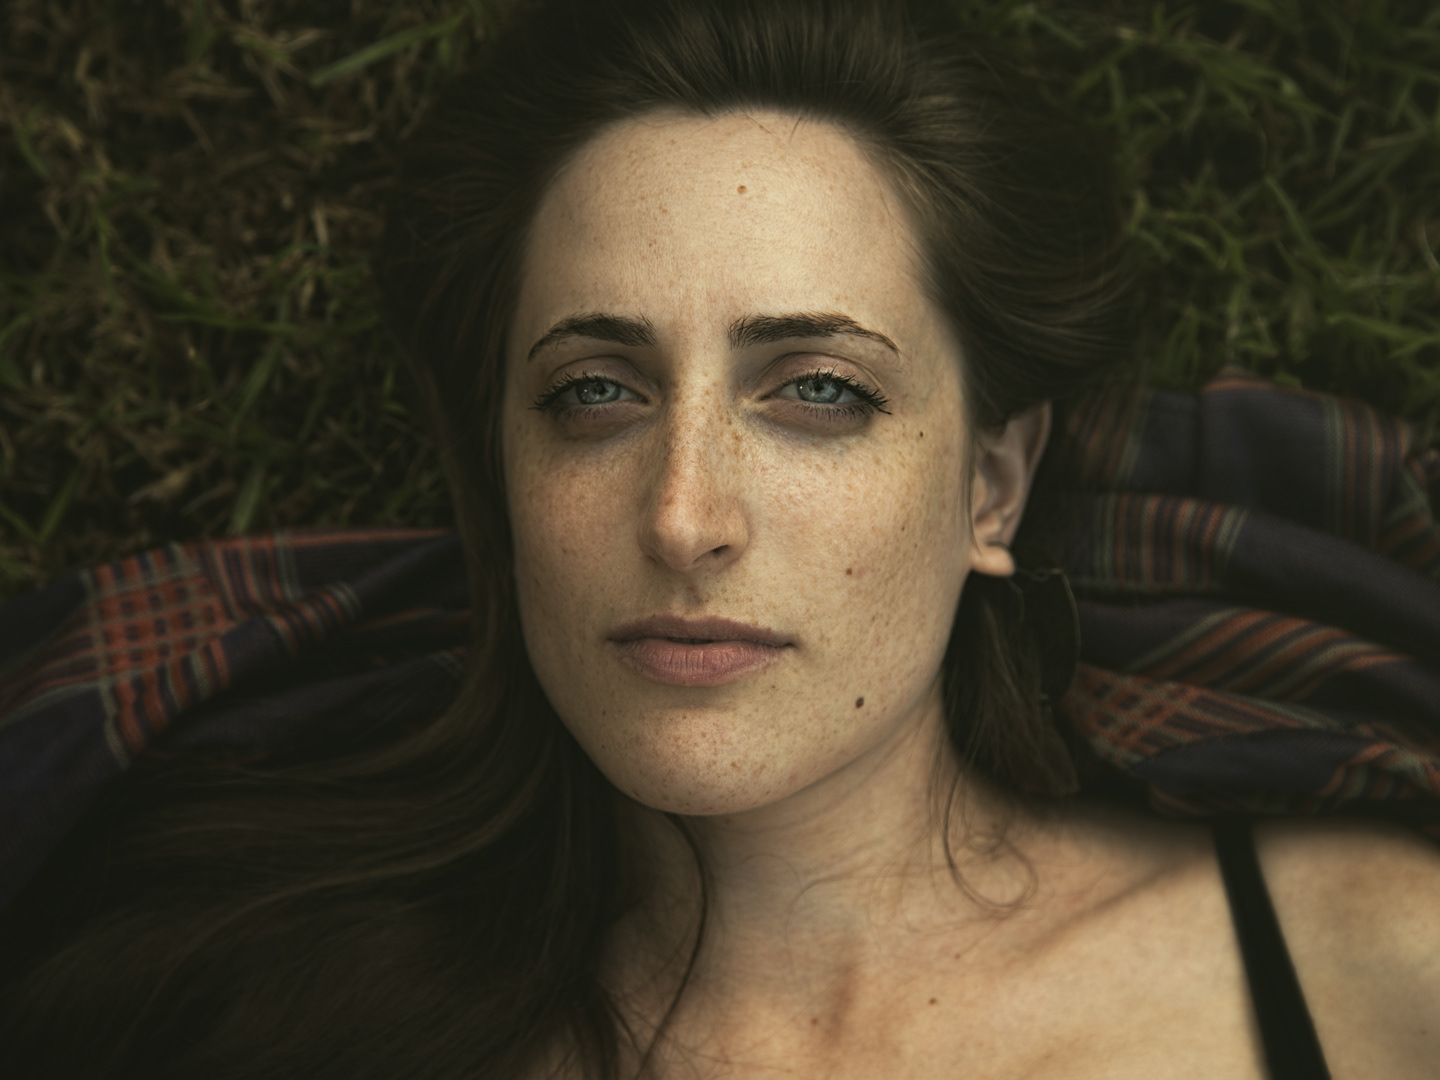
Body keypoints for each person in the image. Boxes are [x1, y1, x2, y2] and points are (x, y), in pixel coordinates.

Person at [2, 1, 1437, 1077]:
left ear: (992, 489)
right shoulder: (256, 1015)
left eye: (820, 392)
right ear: (503, 476)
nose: (685, 516)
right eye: (594, 393)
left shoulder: (1371, 971)